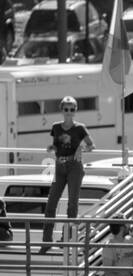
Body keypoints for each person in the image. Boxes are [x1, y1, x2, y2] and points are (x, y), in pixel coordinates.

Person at [40, 96, 95, 252]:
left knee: (72, 205)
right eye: (66, 109)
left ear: (75, 110)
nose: (69, 112)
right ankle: (46, 242)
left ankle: (67, 240)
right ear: (62, 110)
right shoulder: (56, 127)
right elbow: (57, 146)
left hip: (74, 166)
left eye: (72, 109)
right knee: (51, 203)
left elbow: (92, 145)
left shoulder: (80, 128)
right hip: (59, 165)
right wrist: (52, 148)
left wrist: (81, 148)